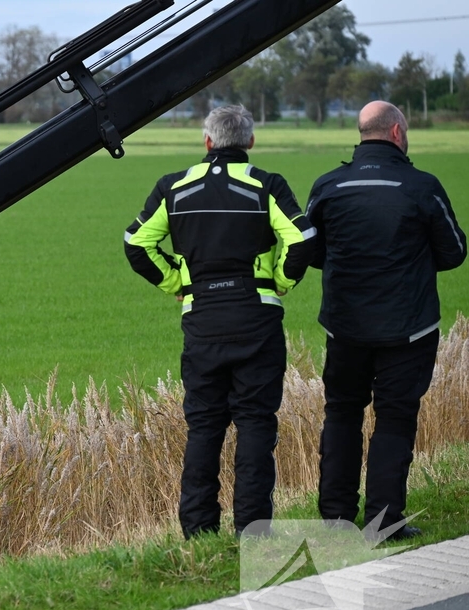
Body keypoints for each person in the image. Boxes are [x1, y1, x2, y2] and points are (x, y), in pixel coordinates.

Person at [124, 105, 316, 539]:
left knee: (205, 425)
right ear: (249, 142)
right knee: (255, 423)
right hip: (257, 318)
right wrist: (281, 280)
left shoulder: (173, 187)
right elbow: (302, 238)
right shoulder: (267, 185)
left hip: (203, 321)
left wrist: (176, 280)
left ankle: (198, 529)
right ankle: (252, 530)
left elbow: (137, 243)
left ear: (207, 143)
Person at [306, 100, 466, 540]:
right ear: (397, 132)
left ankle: (336, 519)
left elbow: (311, 250)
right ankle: (383, 522)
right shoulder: (423, 186)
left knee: (341, 414)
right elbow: (454, 251)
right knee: (395, 419)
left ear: (363, 133)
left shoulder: (328, 186)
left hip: (345, 327)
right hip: (407, 329)